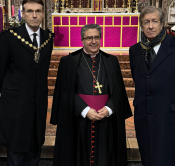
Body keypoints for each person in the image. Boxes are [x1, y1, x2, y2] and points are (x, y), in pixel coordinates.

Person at [50, 24, 132, 166]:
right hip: (79, 121)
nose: (93, 41)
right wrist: (85, 110)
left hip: (106, 120)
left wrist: (109, 109)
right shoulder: (68, 62)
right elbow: (65, 92)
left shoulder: (112, 61)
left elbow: (118, 90)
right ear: (82, 40)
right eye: (89, 38)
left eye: (96, 37)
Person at [129, 6, 175, 166]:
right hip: (144, 115)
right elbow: (139, 78)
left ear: (162, 24)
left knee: (171, 158)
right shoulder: (134, 50)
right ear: (141, 25)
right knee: (148, 157)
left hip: (170, 115)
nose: (150, 26)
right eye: (146, 22)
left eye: (154, 21)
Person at [0, 0, 54, 166]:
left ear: (43, 14)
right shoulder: (9, 37)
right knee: (17, 148)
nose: (34, 15)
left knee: (35, 147)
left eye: (38, 11)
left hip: (38, 104)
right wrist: (12, 93)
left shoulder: (48, 39)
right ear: (23, 13)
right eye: (30, 11)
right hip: (16, 104)